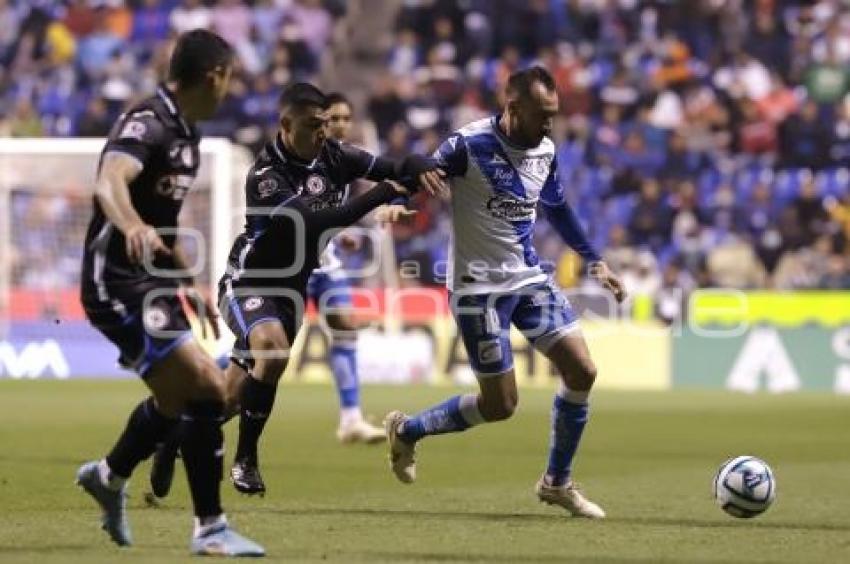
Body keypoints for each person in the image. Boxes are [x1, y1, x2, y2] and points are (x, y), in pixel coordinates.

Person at [382, 66, 626, 519]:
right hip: (478, 290)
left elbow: (556, 206)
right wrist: (401, 203)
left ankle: (557, 482)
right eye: (542, 115)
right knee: (501, 405)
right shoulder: (468, 145)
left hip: (528, 278)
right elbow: (423, 176)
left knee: (582, 370)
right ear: (514, 108)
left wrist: (594, 258)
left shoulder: (546, 149)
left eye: (554, 115)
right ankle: (409, 430)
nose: (549, 125)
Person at [75, 30, 265, 556]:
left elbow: (168, 227)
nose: (230, 89)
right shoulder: (148, 123)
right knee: (207, 387)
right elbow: (110, 181)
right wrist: (131, 225)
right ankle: (210, 528)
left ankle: (109, 477)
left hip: (153, 282)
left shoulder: (187, 137)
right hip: (112, 281)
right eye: (230, 78)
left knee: (178, 397)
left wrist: (190, 285)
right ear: (214, 76)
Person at [220, 82, 445, 496]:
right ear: (286, 125)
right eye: (312, 125)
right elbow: (315, 224)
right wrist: (380, 194)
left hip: (293, 289)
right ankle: (246, 460)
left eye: (325, 124)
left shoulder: (335, 156)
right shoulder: (267, 175)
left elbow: (393, 169)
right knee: (271, 351)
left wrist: (417, 163)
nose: (323, 133)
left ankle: (173, 435)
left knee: (227, 401)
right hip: (249, 281)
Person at [305, 92, 393, 444]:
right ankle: (206, 384)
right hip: (291, 267)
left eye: (345, 118)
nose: (340, 125)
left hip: (326, 265)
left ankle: (351, 418)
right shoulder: (305, 160)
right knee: (263, 347)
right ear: (320, 122)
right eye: (333, 119)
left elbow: (324, 214)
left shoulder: (346, 162)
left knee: (344, 328)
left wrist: (340, 237)